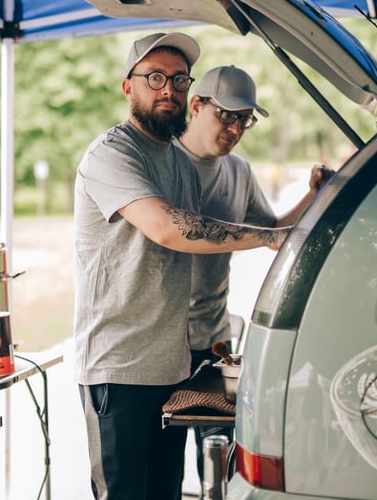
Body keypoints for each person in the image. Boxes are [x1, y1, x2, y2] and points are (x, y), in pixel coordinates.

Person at [73, 32, 290, 500]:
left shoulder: (183, 165)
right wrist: (269, 237)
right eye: (154, 78)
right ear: (128, 87)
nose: (168, 88)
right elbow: (169, 228)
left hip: (173, 367)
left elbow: (197, 239)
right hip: (119, 367)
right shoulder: (111, 154)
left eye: (178, 79)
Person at [175, 65, 335, 492]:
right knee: (162, 468)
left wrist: (315, 193)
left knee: (218, 465)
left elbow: (273, 233)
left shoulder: (239, 170)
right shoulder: (164, 162)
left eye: (244, 119)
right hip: (164, 345)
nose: (235, 129)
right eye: (226, 115)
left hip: (214, 342)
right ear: (196, 105)